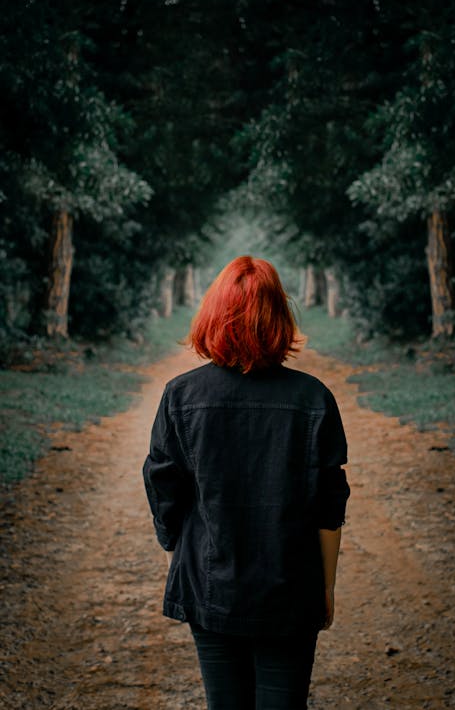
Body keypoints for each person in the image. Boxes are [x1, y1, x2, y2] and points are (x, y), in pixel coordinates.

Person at [143, 256, 350, 710]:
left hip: (210, 585)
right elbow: (329, 506)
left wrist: (179, 552)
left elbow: (163, 485)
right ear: (279, 315)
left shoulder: (181, 395)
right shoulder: (313, 398)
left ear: (214, 315)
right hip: (290, 591)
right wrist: (326, 587)